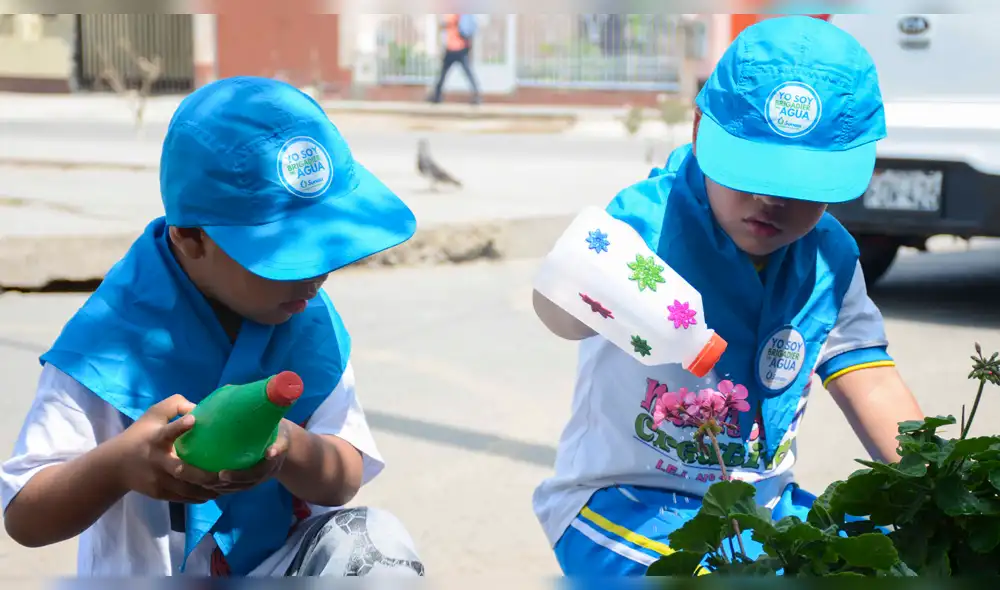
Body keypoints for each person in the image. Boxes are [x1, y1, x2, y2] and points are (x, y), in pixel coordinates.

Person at [530, 16, 925, 576]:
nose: (770, 199)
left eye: (800, 186)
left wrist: (935, 487)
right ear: (698, 132)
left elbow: (871, 376)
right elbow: (563, 312)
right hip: (625, 502)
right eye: (751, 171)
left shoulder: (827, 259)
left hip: (759, 509)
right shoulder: (646, 223)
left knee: (901, 557)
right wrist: (570, 293)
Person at [0, 76, 425, 578]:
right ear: (190, 239)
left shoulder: (307, 323)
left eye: (323, 254)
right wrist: (118, 465)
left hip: (278, 570)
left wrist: (289, 445)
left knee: (380, 550)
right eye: (285, 261)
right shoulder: (110, 342)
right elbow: (26, 517)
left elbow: (342, 478)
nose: (314, 279)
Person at [428, 14, 482, 105]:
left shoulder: (456, 14)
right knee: (445, 73)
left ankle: (476, 95)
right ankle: (437, 95)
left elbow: (447, 24)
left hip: (457, 48)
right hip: (454, 48)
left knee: (447, 73)